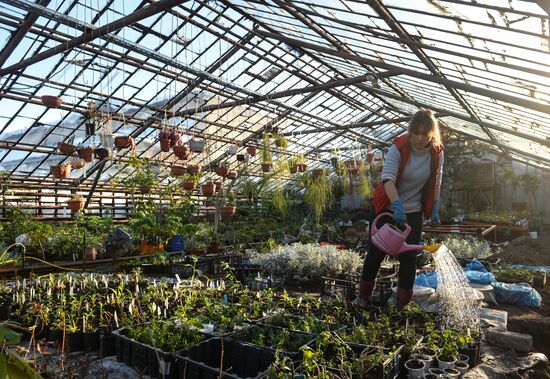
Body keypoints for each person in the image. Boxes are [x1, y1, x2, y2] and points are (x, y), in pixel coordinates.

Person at [358, 109, 444, 307]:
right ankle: (363, 297)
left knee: (409, 258)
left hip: (413, 212)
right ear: (410, 131)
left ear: (432, 133)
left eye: (425, 133)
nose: (420, 138)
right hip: (388, 207)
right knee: (376, 252)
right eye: (416, 133)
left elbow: (437, 181)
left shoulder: (437, 153)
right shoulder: (400, 146)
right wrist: (397, 207)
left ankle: (402, 304)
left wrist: (436, 207)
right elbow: (387, 179)